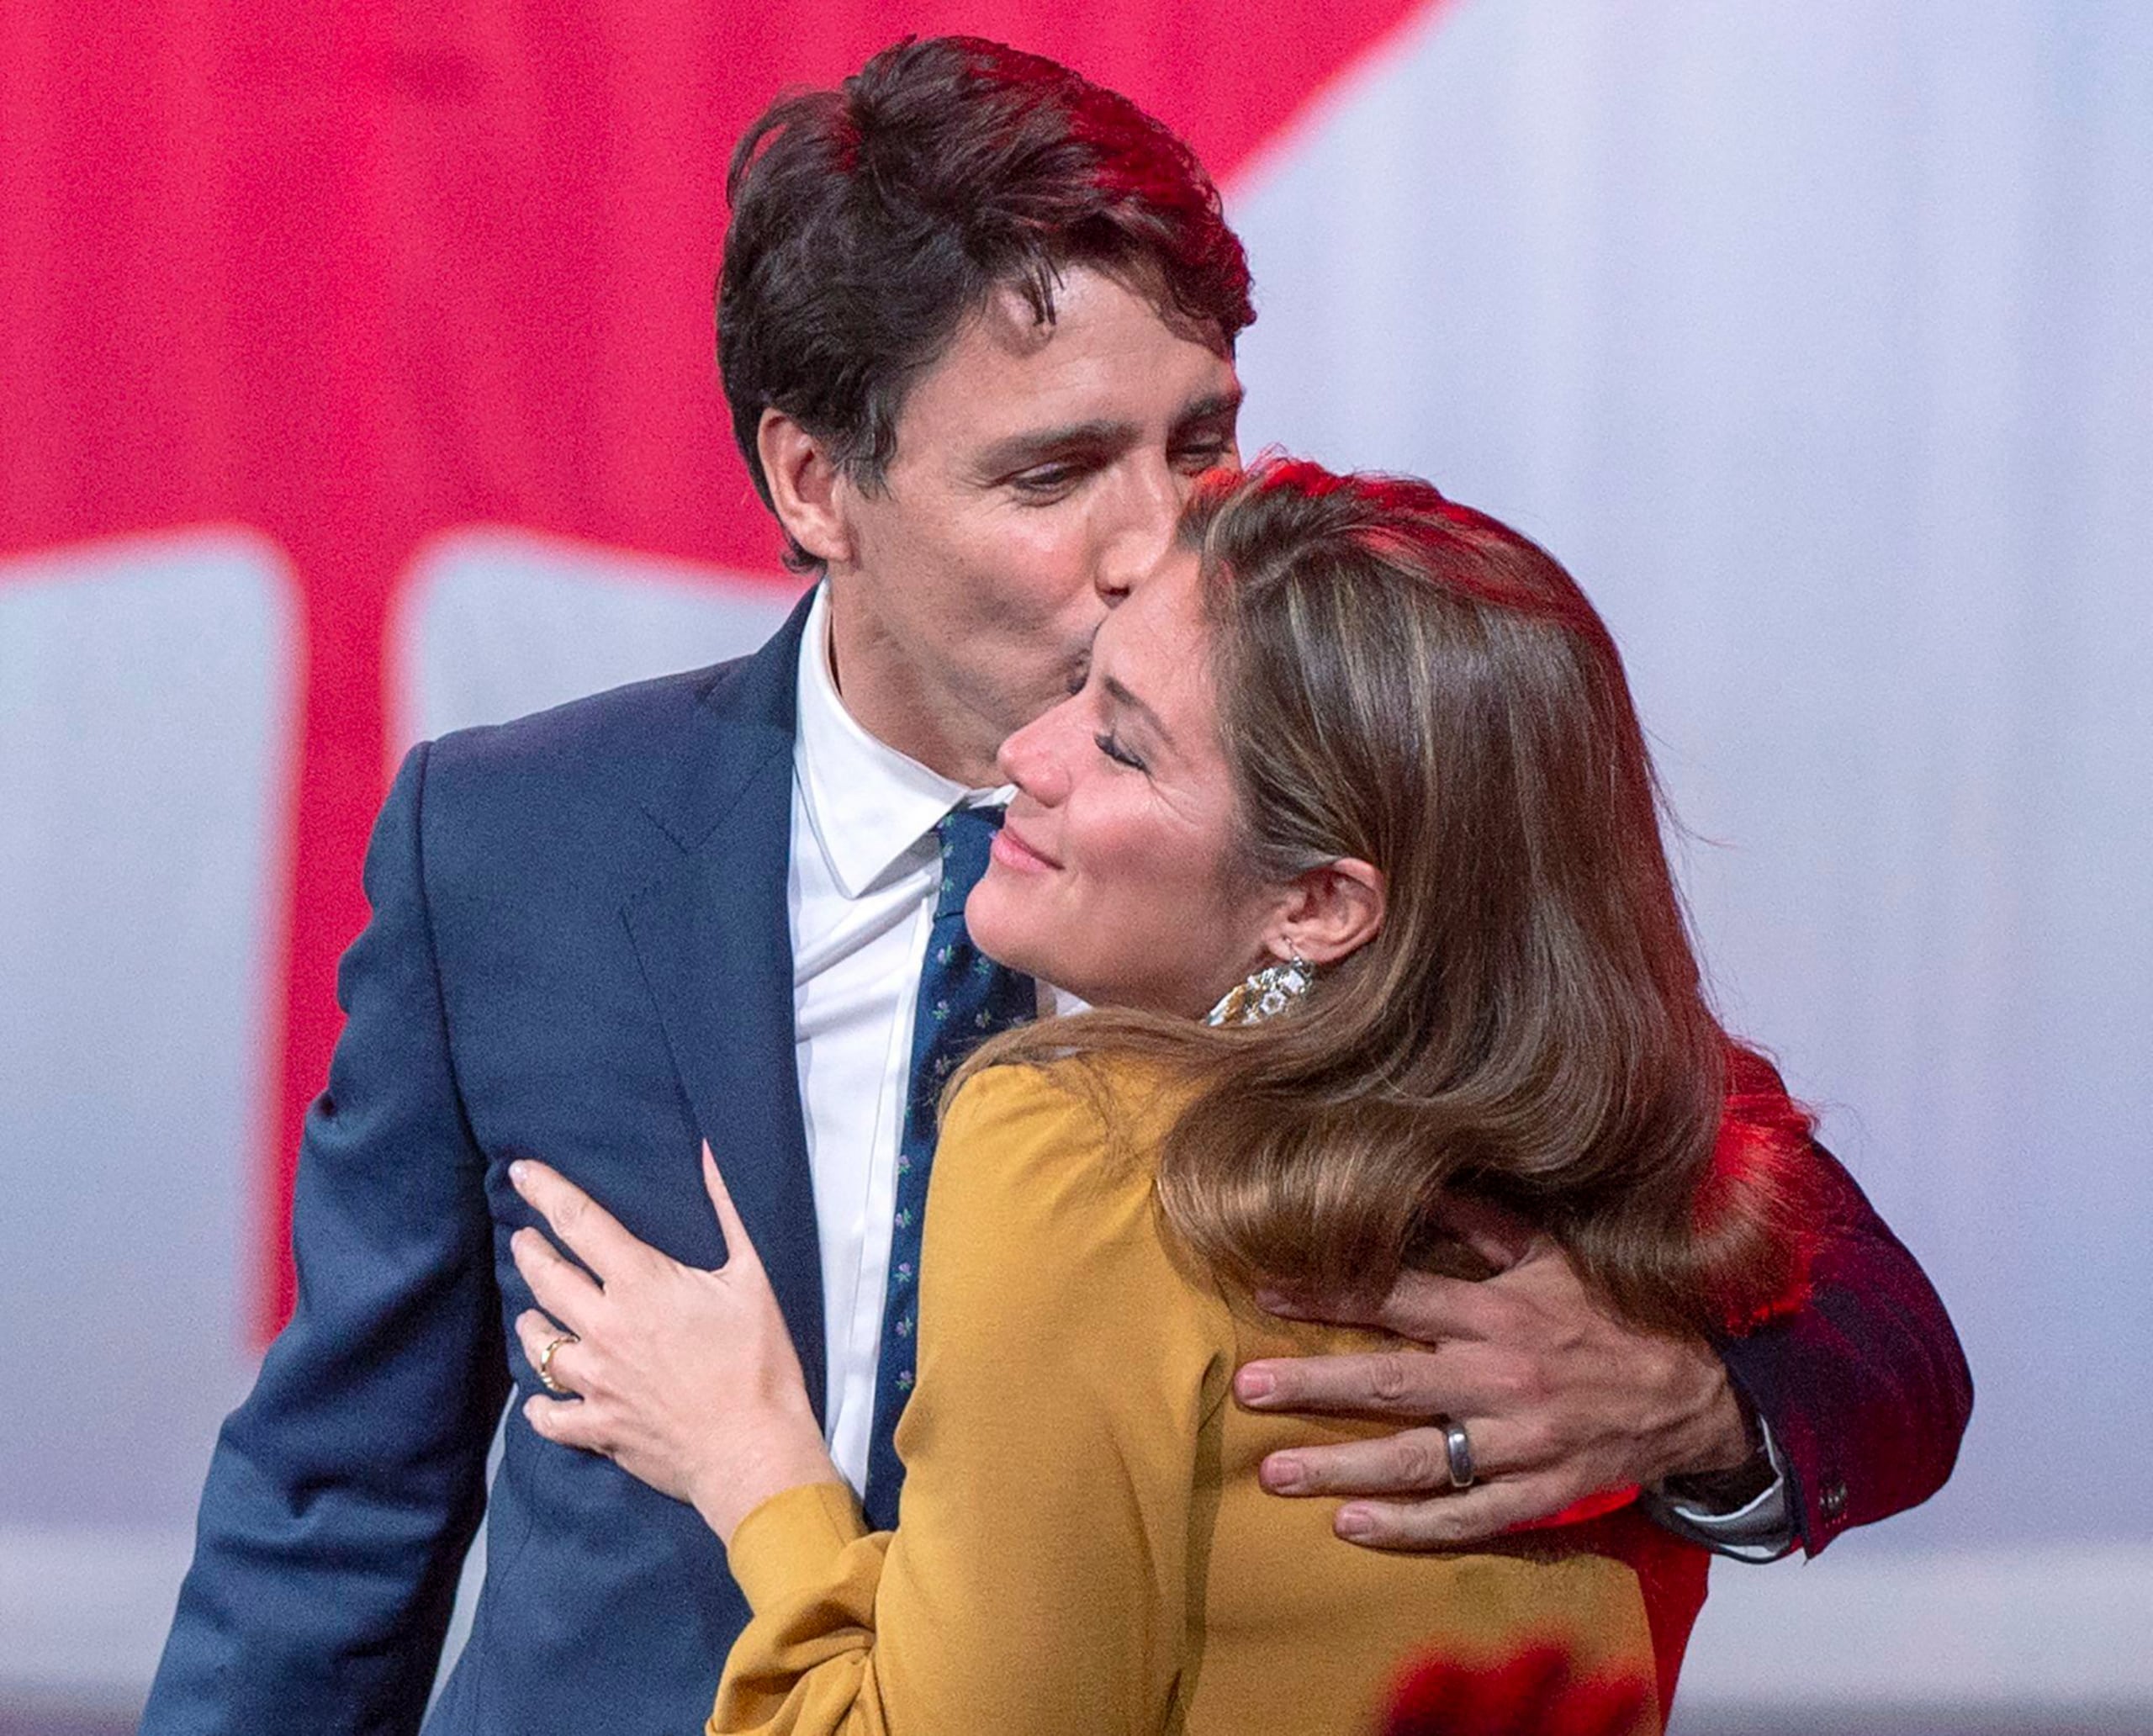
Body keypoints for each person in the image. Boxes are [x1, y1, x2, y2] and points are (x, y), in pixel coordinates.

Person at [143, 37, 1970, 1736]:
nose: (1154, 541)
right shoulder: (522, 840)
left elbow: (1864, 1328)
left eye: (1196, 439)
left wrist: (1693, 1410)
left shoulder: (1359, 803)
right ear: (813, 480)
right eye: (1051, 471)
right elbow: (339, 1498)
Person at [501, 458, 1844, 1734]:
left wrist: (756, 1470)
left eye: (1127, 749)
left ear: (1318, 905)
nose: (1027, 753)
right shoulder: (1662, 1158)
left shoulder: (1078, 1154)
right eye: (1085, 687)